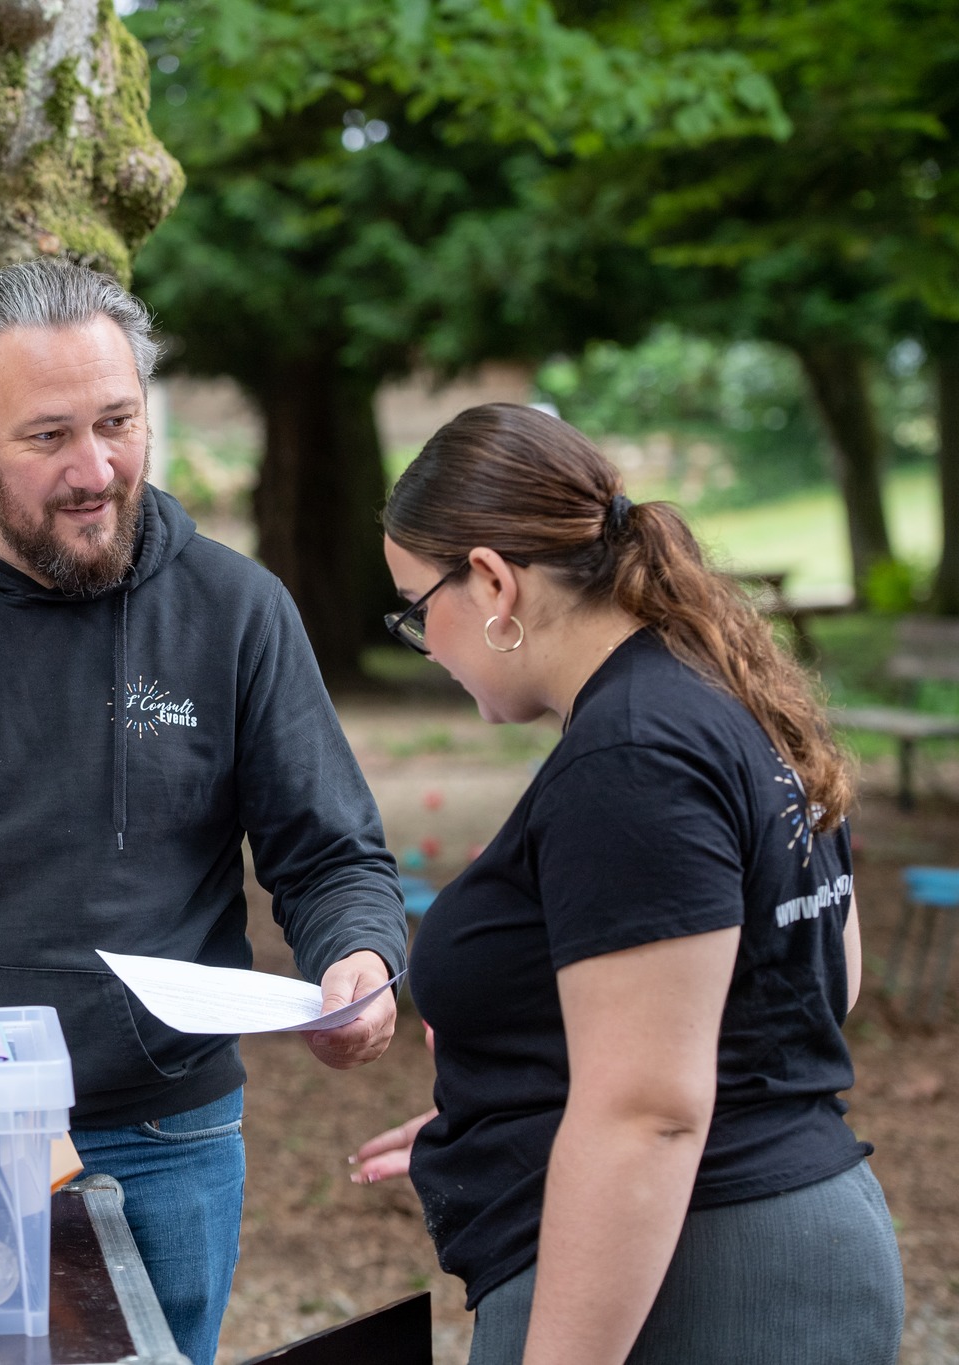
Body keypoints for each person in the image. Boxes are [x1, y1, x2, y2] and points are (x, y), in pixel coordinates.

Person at [0, 258, 410, 1365]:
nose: (94, 469)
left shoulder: (235, 608)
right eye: (46, 437)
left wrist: (358, 959)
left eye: (117, 423)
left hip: (161, 1136)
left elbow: (331, 855)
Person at [349, 403, 903, 1365]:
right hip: (771, 1237)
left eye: (414, 608)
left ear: (490, 580)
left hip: (701, 1277)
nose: (424, 642)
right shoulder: (728, 695)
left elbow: (650, 1113)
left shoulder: (633, 756)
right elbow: (817, 981)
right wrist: (520, 1100)